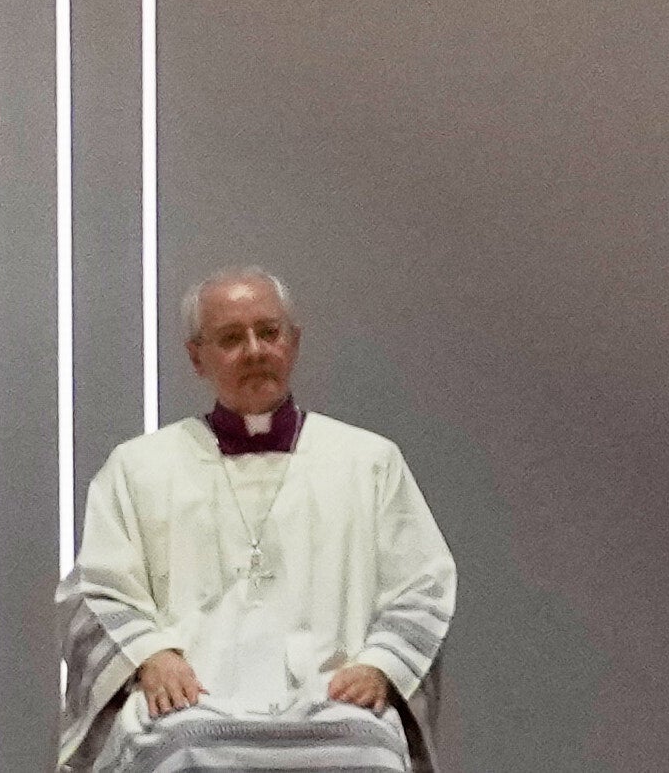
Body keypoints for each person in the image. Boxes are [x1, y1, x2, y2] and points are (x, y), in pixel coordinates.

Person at [57, 270, 458, 773]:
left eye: (269, 332)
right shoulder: (138, 467)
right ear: (196, 357)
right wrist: (151, 655)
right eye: (231, 338)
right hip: (190, 699)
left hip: (329, 694)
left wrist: (379, 664)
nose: (254, 350)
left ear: (293, 342)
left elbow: (422, 583)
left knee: (369, 749)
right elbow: (97, 588)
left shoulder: (369, 461)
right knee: (178, 747)